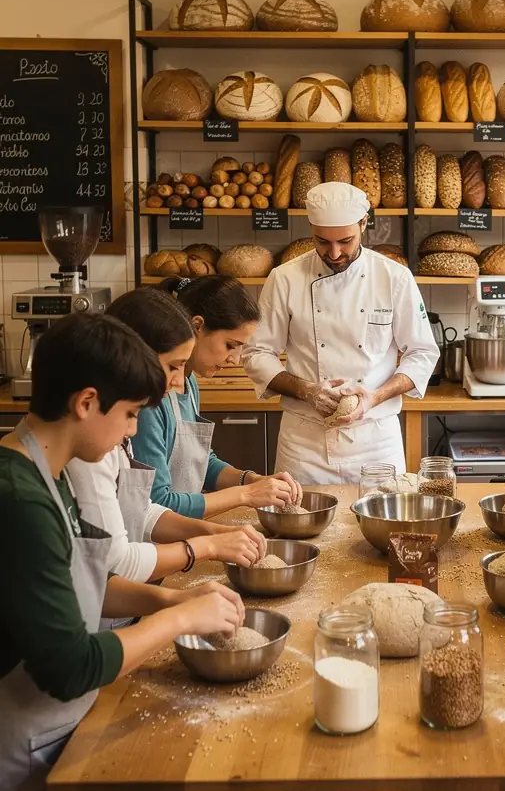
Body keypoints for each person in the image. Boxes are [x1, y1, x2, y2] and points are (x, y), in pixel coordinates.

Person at [0, 313, 244, 791]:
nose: (134, 432)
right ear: (87, 403)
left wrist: (172, 595)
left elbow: (87, 582)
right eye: (131, 414)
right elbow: (68, 664)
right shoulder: (19, 497)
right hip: (18, 742)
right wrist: (177, 620)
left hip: (53, 734)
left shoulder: (43, 469)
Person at [66, 289, 268, 602]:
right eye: (174, 367)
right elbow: (117, 562)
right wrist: (207, 545)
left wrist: (212, 533)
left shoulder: (107, 435)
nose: (178, 381)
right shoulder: (87, 446)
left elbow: (142, 511)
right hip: (108, 611)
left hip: (130, 594)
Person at [242, 182, 439, 482]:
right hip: (304, 444)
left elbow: (423, 352)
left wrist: (375, 396)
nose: (334, 253)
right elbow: (256, 353)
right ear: (311, 228)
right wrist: (307, 391)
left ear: (364, 223)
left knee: (384, 526)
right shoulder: (284, 279)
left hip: (376, 441)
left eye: (345, 241)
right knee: (299, 522)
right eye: (322, 242)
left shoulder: (394, 278)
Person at [132, 275, 301, 517]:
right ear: (197, 326)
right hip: (152, 545)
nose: (235, 359)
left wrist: (251, 480)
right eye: (231, 345)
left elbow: (202, 464)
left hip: (179, 533)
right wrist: (246, 495)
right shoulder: (152, 397)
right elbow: (157, 502)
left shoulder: (189, 383)